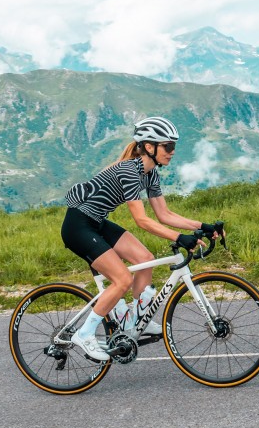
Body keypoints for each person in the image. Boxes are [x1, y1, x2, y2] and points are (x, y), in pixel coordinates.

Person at [61, 116, 221, 361]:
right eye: (168, 146)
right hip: (78, 226)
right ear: (149, 147)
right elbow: (142, 220)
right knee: (122, 279)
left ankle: (133, 322)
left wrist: (203, 226)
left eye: (174, 146)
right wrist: (180, 238)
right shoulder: (128, 170)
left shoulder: (150, 173)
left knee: (145, 259)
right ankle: (85, 333)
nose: (173, 152)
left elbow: (164, 214)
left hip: (97, 222)